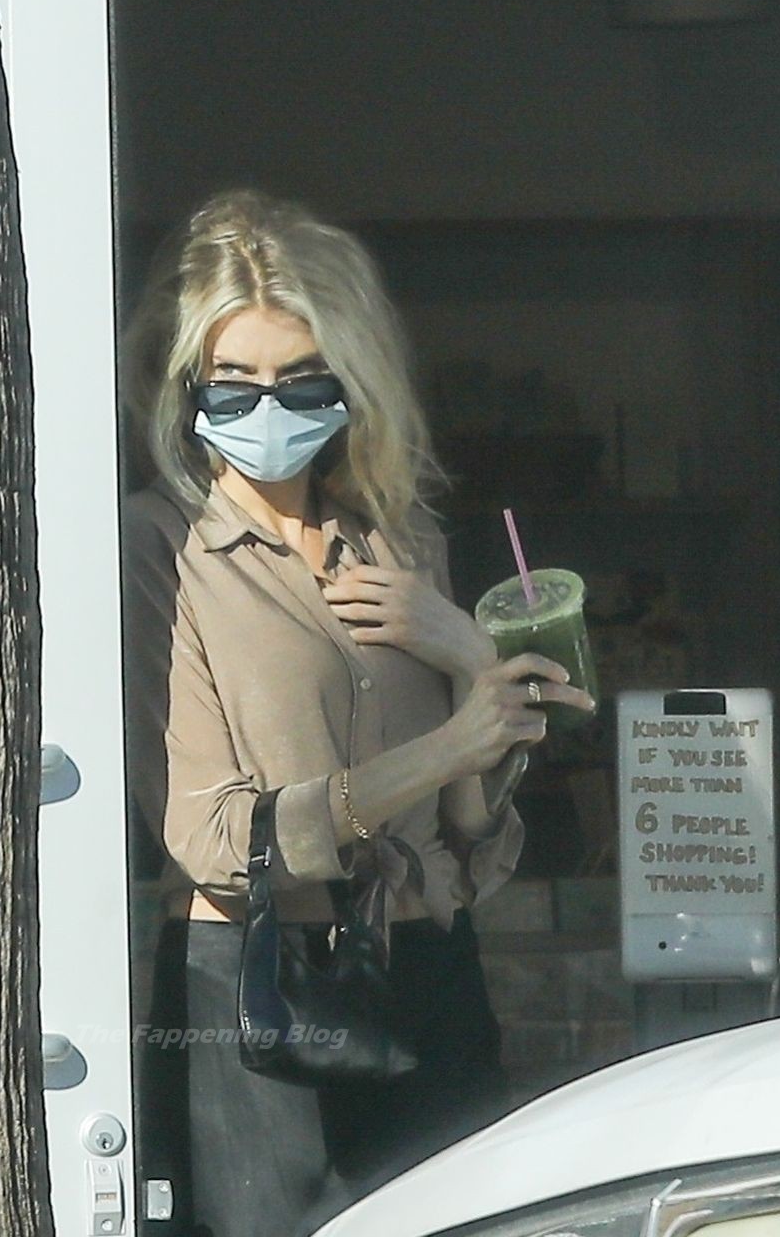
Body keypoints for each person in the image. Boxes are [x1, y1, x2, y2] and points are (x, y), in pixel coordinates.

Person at [119, 189, 594, 1237]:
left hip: (429, 965)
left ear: (349, 377)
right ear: (188, 383)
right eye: (233, 382)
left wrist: (472, 660)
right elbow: (209, 836)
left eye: (300, 379)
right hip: (260, 981)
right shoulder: (161, 547)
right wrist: (447, 747)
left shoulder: (399, 538)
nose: (268, 409)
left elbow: (467, 840)